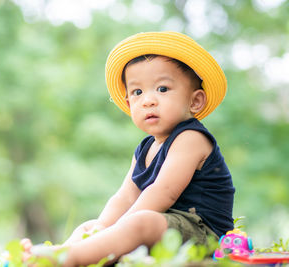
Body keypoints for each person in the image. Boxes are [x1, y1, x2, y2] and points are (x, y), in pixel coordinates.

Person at [19, 31, 235, 267]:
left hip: (202, 232)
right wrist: (101, 228)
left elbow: (163, 192)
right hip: (163, 224)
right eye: (137, 92)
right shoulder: (145, 148)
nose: (148, 100)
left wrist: (116, 230)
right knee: (91, 225)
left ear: (194, 101)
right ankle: (63, 253)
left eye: (162, 89)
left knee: (139, 222)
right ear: (129, 102)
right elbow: (125, 196)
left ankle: (74, 258)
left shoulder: (191, 137)